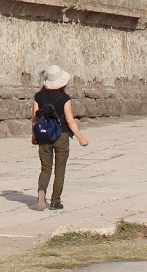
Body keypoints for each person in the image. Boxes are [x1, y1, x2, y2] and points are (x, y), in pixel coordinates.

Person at [32, 65, 88, 211]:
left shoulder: (38, 97)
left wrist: (34, 135)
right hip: (61, 135)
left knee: (45, 168)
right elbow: (69, 120)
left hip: (44, 136)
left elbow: (35, 118)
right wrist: (81, 138)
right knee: (60, 170)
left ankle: (42, 190)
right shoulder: (64, 98)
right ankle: (55, 201)